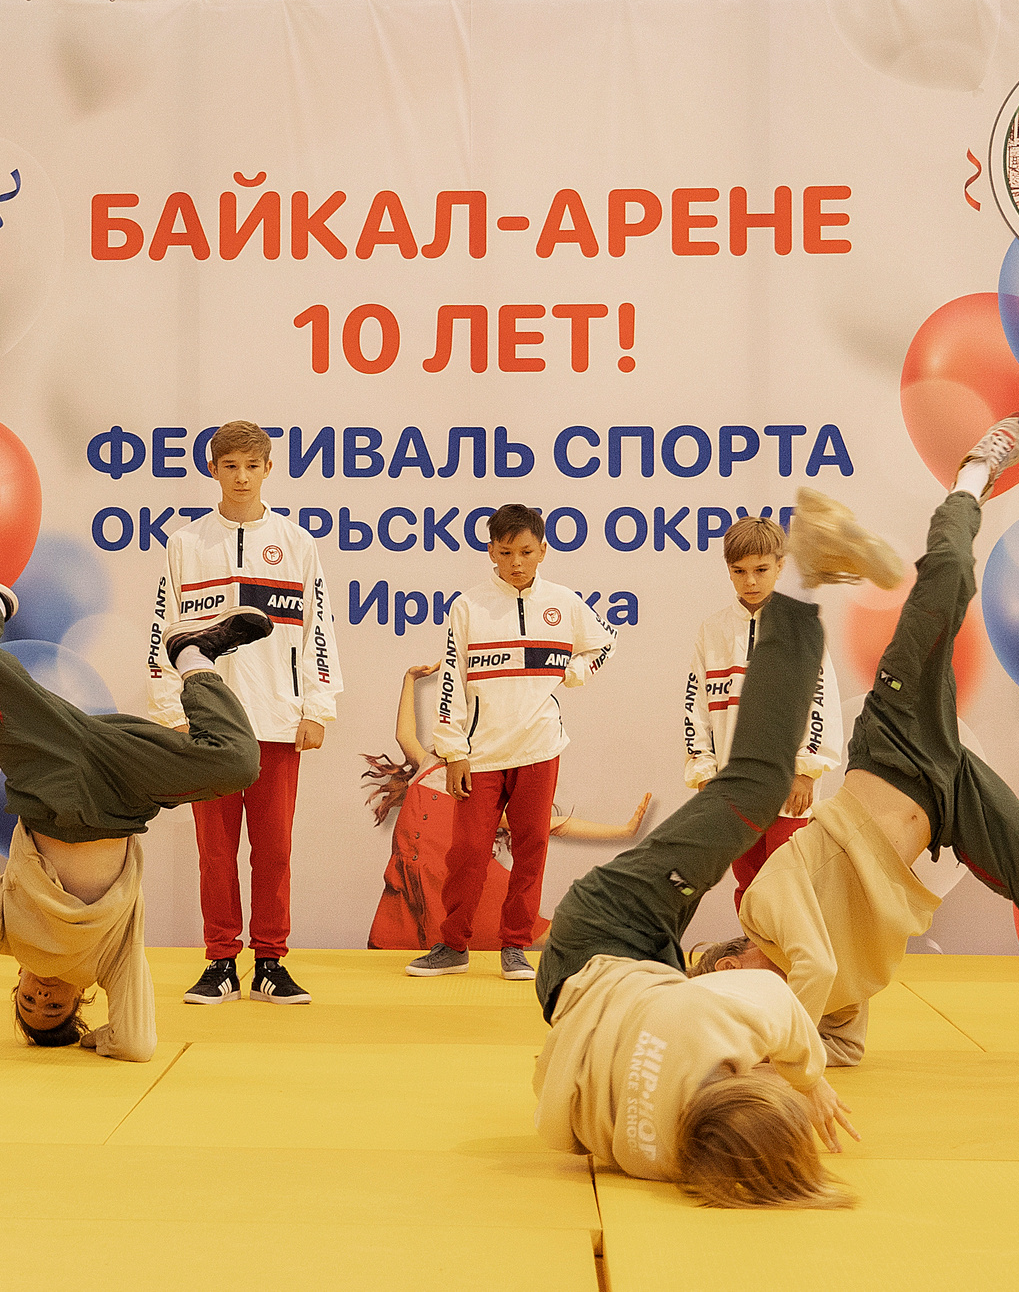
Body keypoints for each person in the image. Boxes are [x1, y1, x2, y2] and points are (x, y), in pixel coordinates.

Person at [688, 419, 1019, 1068]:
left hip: (898, 737)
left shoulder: (767, 908)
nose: (751, 1005)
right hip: (948, 802)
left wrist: (767, 1051)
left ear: (733, 957)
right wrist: (780, 1051)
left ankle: (972, 477)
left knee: (951, 576)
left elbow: (811, 966)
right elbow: (844, 1042)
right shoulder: (826, 996)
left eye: (734, 990)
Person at [530, 481, 910, 1210]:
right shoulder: (651, 1157)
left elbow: (789, 1023)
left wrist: (811, 1081)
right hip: (578, 989)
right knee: (755, 839)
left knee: (760, 780)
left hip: (607, 926)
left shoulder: (714, 1027)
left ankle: (809, 568)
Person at [0, 548, 265, 1066]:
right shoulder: (106, 960)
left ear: (17, 985)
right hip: (123, 788)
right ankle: (194, 657)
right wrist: (103, 1037)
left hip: (46, 770)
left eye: (28, 1001)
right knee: (236, 764)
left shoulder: (6, 930)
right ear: (80, 1001)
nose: (42, 996)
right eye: (53, 1008)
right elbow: (138, 1046)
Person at [151, 420, 342, 1008]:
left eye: (251, 466)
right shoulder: (186, 544)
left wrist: (318, 707)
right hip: (209, 727)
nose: (240, 477)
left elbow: (319, 630)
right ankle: (219, 963)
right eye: (229, 465)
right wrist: (170, 708)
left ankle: (271, 963)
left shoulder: (297, 543)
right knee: (215, 851)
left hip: (277, 723)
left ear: (267, 470)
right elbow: (164, 632)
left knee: (274, 849)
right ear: (213, 469)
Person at [409, 503, 618, 983]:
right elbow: (451, 685)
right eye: (507, 552)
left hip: (540, 748)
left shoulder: (564, 603)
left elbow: (604, 642)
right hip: (479, 755)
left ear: (543, 550)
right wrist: (453, 750)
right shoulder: (468, 607)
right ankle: (452, 945)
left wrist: (577, 670)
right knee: (467, 852)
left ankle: (515, 946)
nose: (517, 561)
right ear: (491, 553)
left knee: (531, 849)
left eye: (526, 551)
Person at [365, 667, 652, 950]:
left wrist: (623, 831)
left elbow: (553, 824)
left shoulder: (478, 790)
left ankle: (617, 940)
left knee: (541, 930)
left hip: (449, 882)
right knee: (395, 947)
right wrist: (410, 679)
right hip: (409, 886)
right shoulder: (427, 766)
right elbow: (404, 735)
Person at [684, 516, 843, 909]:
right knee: (748, 880)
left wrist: (806, 770)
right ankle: (754, 958)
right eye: (739, 572)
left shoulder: (800, 626)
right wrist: (704, 773)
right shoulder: (712, 630)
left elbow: (820, 700)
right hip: (733, 785)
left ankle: (790, 964)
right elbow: (696, 707)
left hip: (790, 785)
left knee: (790, 879)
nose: (750, 581)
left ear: (780, 566)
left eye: (761, 570)